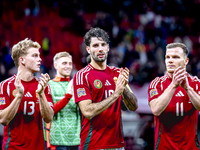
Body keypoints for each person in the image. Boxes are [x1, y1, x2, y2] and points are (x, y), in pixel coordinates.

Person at [73, 27, 138, 150]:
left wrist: (123, 89)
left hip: (117, 144)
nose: (100, 49)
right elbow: (87, 112)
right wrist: (115, 94)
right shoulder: (82, 76)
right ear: (88, 49)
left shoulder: (118, 73)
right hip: (93, 144)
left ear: (108, 47)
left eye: (103, 44)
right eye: (95, 45)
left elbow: (133, 106)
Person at [0, 38, 54, 150]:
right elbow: (3, 120)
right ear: (22, 60)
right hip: (13, 147)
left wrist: (41, 94)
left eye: (39, 56)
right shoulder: (5, 85)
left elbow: (49, 118)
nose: (40, 59)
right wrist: (19, 96)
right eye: (34, 56)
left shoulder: (44, 85)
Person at [148, 43, 200, 149]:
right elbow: (156, 110)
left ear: (186, 61)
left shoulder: (195, 83)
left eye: (175, 57)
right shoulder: (157, 83)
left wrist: (188, 89)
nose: (170, 60)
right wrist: (173, 85)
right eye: (168, 57)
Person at [44, 52, 81, 150]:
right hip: (56, 140)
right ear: (55, 65)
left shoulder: (76, 86)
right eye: (64, 63)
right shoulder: (48, 86)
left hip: (76, 140)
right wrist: (67, 96)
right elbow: (49, 113)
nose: (68, 66)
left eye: (70, 63)